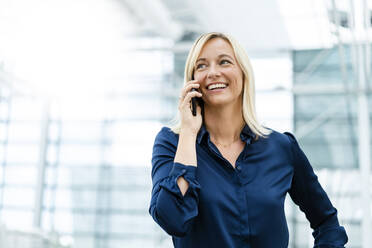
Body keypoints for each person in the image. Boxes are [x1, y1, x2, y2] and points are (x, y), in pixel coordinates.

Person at [149, 32, 348, 247]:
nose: (213, 72)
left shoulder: (281, 148)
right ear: (192, 82)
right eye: (202, 66)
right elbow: (172, 219)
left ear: (244, 75)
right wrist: (188, 133)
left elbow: (327, 222)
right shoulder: (172, 143)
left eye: (224, 62)